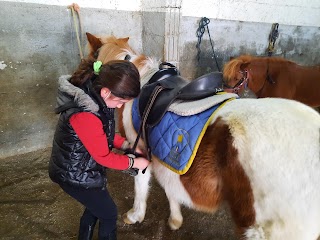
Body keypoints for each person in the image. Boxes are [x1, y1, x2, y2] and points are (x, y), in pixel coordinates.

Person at [48, 59, 150, 240]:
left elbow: (104, 135)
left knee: (95, 208)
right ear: (106, 92)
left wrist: (126, 145)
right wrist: (134, 161)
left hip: (83, 167)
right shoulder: (85, 114)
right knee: (109, 214)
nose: (120, 106)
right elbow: (104, 157)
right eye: (120, 101)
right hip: (74, 175)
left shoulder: (97, 96)